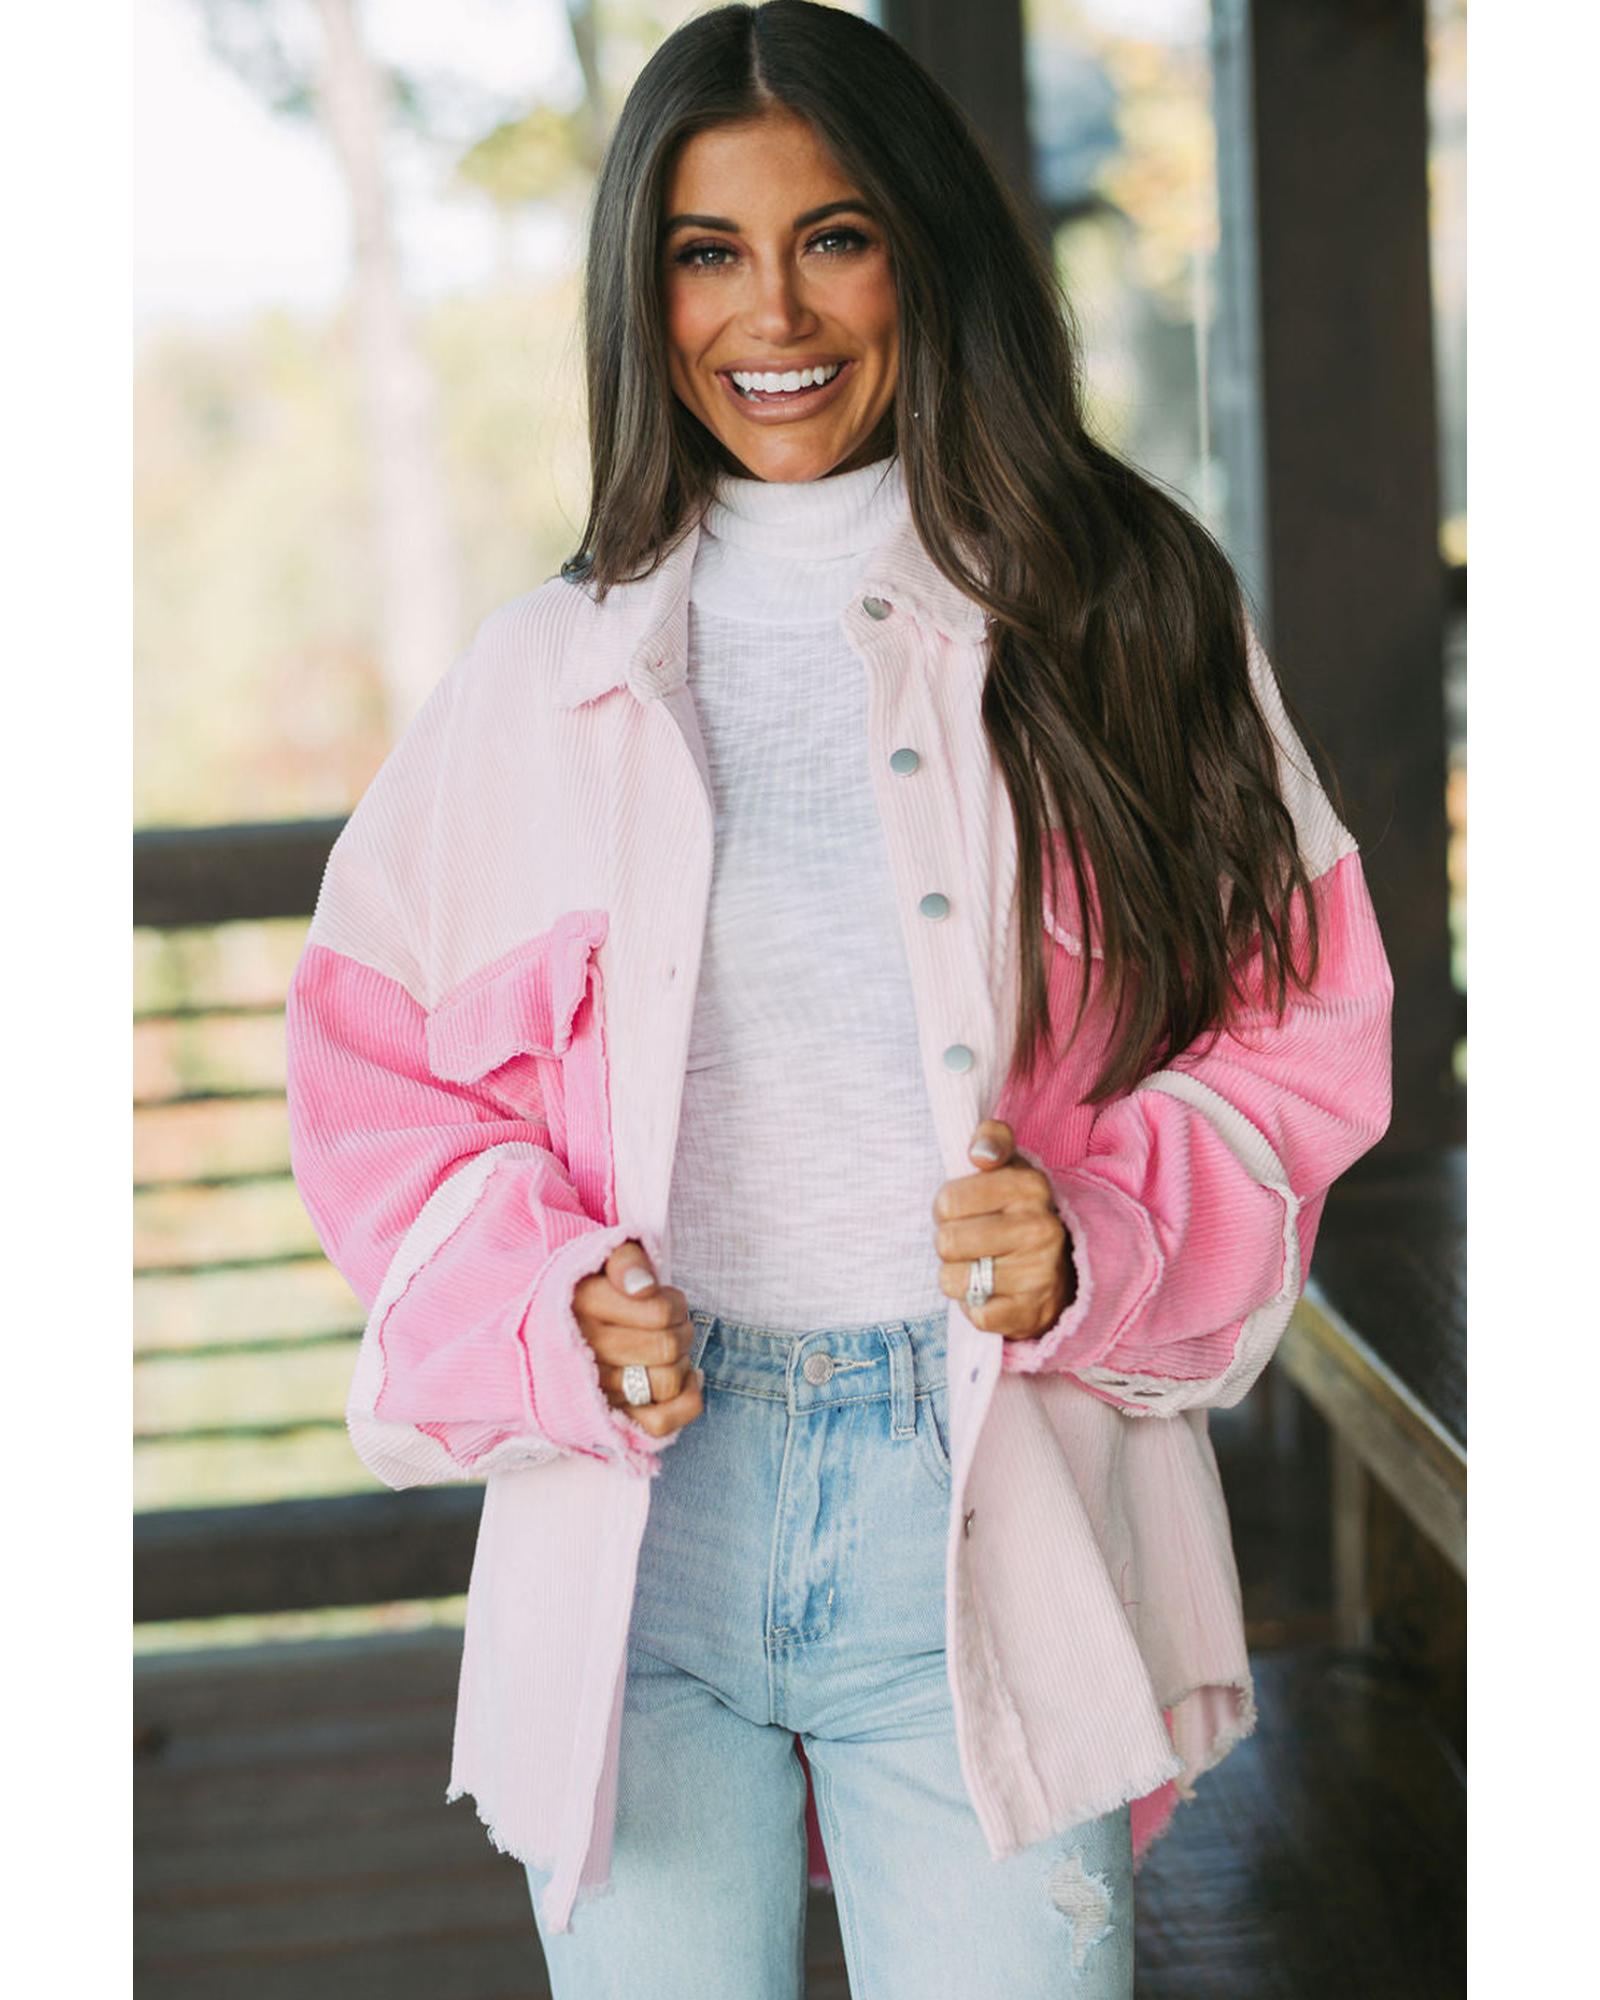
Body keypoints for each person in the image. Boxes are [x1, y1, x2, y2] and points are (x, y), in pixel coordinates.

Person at [283, 5, 1394, 1994]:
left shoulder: (1122, 612)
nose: (770, 312)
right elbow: (374, 1087)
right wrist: (545, 1294)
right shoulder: (536, 677)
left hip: (985, 1503)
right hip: (642, 1531)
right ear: (642, 293)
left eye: (835, 237)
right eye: (705, 251)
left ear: (924, 252)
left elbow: (1302, 1028)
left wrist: (1093, 1232)